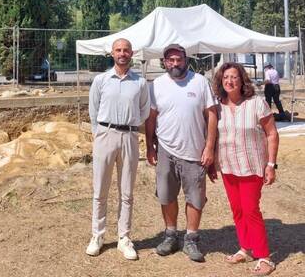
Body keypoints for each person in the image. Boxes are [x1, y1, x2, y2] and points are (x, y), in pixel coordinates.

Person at [145, 44, 218, 262]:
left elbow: (212, 115)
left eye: (178, 59)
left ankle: (191, 239)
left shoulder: (200, 82)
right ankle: (170, 235)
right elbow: (151, 118)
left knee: (195, 197)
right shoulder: (156, 85)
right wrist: (149, 146)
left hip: (195, 151)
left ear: (186, 60)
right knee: (166, 195)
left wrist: (209, 147)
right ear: (164, 62)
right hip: (166, 150)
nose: (175, 63)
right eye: (170, 60)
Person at [211, 62, 279, 276]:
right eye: (225, 78)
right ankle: (245, 248)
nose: (230, 81)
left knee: (251, 210)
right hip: (228, 166)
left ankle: (264, 256)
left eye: (234, 77)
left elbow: (272, 134)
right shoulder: (217, 107)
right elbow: (213, 137)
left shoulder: (256, 103)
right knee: (237, 210)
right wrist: (213, 163)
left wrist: (271, 164)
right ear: (221, 82)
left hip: (251, 166)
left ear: (242, 80)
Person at [86, 38, 150, 260]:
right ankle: (98, 235)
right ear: (112, 53)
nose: (122, 53)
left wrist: (130, 126)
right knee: (100, 190)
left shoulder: (140, 83)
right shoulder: (101, 80)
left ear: (132, 53)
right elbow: (93, 109)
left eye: (126, 50)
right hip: (105, 135)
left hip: (129, 137)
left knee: (126, 192)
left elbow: (144, 111)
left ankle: (124, 237)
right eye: (118, 50)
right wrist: (99, 133)